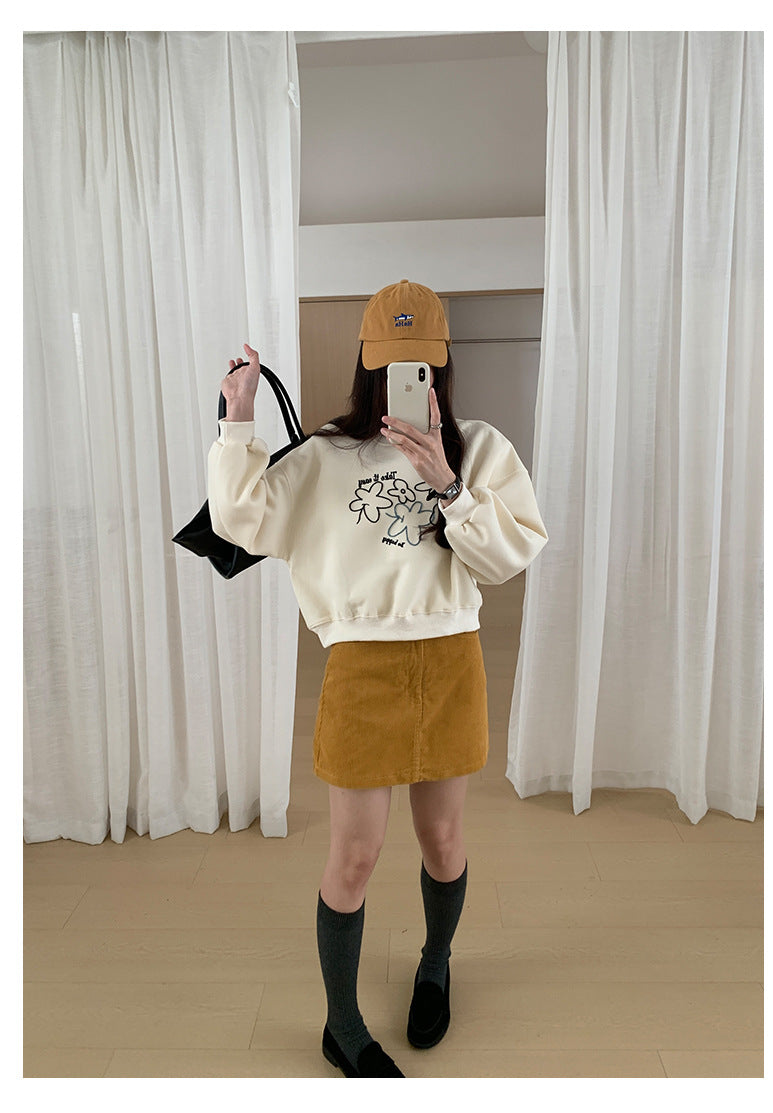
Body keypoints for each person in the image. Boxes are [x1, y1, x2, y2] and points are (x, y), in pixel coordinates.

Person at [207, 279, 549, 1077]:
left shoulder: (481, 449)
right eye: (392, 366)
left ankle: (435, 962)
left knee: (444, 840)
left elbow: (509, 556)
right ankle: (342, 1024)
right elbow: (241, 520)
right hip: (360, 667)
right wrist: (238, 419)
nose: (405, 379)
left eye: (418, 366)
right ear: (368, 365)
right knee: (354, 856)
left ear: (441, 365)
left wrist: (449, 486)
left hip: (451, 660)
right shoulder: (324, 455)